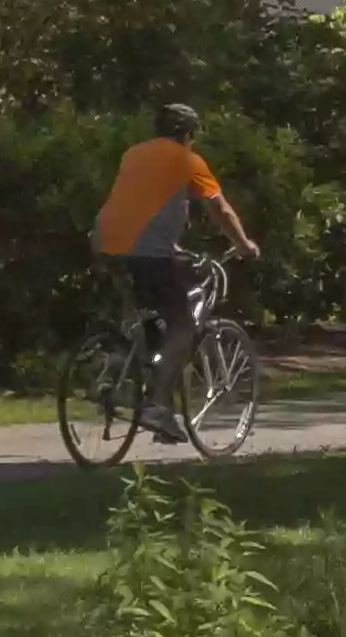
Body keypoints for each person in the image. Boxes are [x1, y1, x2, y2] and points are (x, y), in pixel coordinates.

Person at [94, 102, 261, 416]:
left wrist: (172, 246)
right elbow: (220, 209)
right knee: (183, 325)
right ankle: (156, 404)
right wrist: (244, 243)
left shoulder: (133, 155)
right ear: (188, 133)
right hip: (148, 253)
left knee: (140, 318)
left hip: (105, 245)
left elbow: (140, 207)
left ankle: (115, 374)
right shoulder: (187, 160)